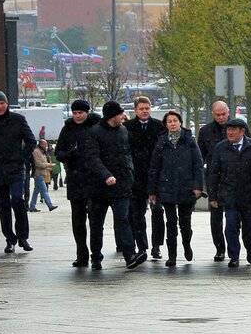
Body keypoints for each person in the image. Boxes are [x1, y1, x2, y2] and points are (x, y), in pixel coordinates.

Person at [83, 101, 147, 270]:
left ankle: (130, 256)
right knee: (97, 224)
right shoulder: (95, 133)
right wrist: (106, 175)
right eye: (120, 114)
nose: (123, 116)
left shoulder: (123, 130)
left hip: (122, 185)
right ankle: (96, 256)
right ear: (112, 116)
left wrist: (130, 172)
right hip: (100, 188)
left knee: (124, 220)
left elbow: (127, 154)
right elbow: (92, 159)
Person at [207, 118, 251, 268]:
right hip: (229, 196)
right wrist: (213, 196)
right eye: (228, 130)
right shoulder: (221, 148)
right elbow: (214, 173)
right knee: (230, 226)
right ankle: (234, 256)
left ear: (242, 131)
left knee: (250, 229)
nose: (230, 132)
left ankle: (250, 249)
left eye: (233, 130)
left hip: (249, 196)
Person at [0, 91, 37, 253]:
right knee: (3, 205)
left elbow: (31, 140)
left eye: (2, 103)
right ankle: (10, 239)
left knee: (17, 200)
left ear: (6, 104)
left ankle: (23, 237)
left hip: (15, 168)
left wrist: (22, 158)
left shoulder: (18, 120)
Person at [148, 110, 203, 267]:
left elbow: (198, 165)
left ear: (180, 122)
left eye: (175, 120)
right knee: (170, 222)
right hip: (166, 187)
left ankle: (187, 244)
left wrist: (197, 186)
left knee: (185, 222)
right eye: (169, 121)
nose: (172, 123)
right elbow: (154, 167)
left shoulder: (190, 141)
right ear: (165, 125)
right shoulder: (161, 142)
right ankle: (172, 255)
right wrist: (152, 190)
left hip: (186, 187)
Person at [55, 99, 101, 267]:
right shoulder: (67, 129)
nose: (78, 116)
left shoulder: (95, 128)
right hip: (75, 180)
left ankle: (96, 254)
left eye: (80, 113)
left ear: (86, 112)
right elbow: (58, 152)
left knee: (95, 220)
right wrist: (68, 154)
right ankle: (82, 254)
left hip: (94, 180)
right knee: (78, 221)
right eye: (75, 113)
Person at [123, 96, 167, 260]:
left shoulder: (159, 127)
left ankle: (156, 246)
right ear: (135, 110)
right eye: (141, 109)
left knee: (157, 211)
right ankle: (142, 246)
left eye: (147, 108)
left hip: (156, 176)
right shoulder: (127, 128)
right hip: (136, 177)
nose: (144, 111)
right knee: (137, 213)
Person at [198, 100, 231, 262]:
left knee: (234, 216)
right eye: (217, 115)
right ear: (213, 114)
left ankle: (234, 246)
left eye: (223, 114)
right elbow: (199, 158)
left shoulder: (238, 128)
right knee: (216, 216)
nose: (221, 118)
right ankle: (219, 248)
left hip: (234, 179)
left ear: (229, 112)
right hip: (214, 179)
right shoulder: (205, 132)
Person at [28, 139, 57, 212]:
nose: (46, 146)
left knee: (36, 191)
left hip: (42, 173)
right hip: (39, 174)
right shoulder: (36, 152)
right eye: (45, 144)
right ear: (41, 144)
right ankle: (50, 206)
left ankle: (32, 206)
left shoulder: (42, 152)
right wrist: (49, 165)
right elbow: (38, 164)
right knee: (44, 190)